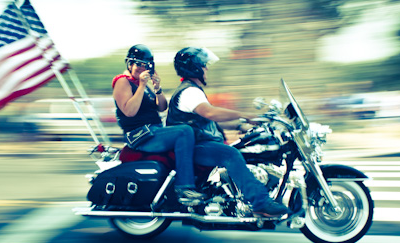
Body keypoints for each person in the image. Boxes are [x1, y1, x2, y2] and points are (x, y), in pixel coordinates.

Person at [166, 46, 289, 218]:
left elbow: (207, 123)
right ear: (194, 67)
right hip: (194, 147)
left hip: (200, 142)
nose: (206, 69)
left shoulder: (193, 91)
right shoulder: (189, 92)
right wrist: (243, 115)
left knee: (241, 149)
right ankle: (260, 203)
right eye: (203, 65)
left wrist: (241, 126)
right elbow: (210, 113)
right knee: (230, 155)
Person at [112, 44, 203, 203]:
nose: (142, 68)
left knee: (190, 130)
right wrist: (141, 86)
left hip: (153, 130)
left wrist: (157, 88)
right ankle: (184, 187)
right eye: (138, 64)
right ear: (129, 64)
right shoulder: (123, 82)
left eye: (145, 65)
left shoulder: (142, 85)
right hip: (139, 135)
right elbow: (129, 111)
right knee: (184, 131)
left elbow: (162, 107)